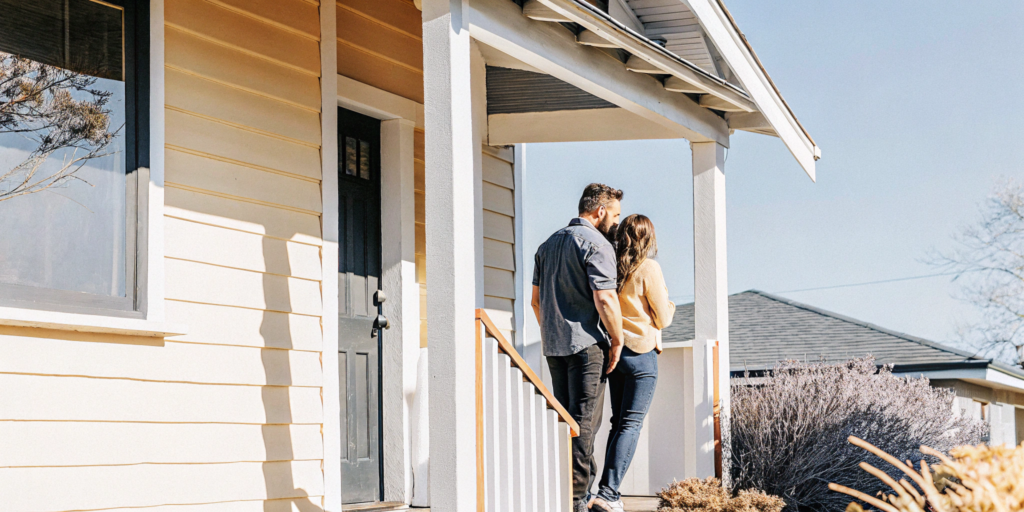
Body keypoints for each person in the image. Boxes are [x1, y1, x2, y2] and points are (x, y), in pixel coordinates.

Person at [532, 183, 625, 512]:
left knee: (567, 423)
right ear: (600, 211)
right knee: (584, 424)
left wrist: (554, 331)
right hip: (587, 347)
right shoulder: (597, 243)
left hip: (555, 347)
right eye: (615, 215)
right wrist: (617, 339)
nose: (616, 221)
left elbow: (535, 301)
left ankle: (574, 492)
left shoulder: (547, 245)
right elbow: (605, 298)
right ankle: (575, 501)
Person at [591, 214, 675, 512]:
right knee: (630, 424)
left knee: (617, 423)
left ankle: (602, 491)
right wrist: (669, 303)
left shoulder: (609, 266)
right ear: (647, 239)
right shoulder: (648, 267)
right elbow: (663, 317)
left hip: (615, 352)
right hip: (641, 354)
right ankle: (608, 493)